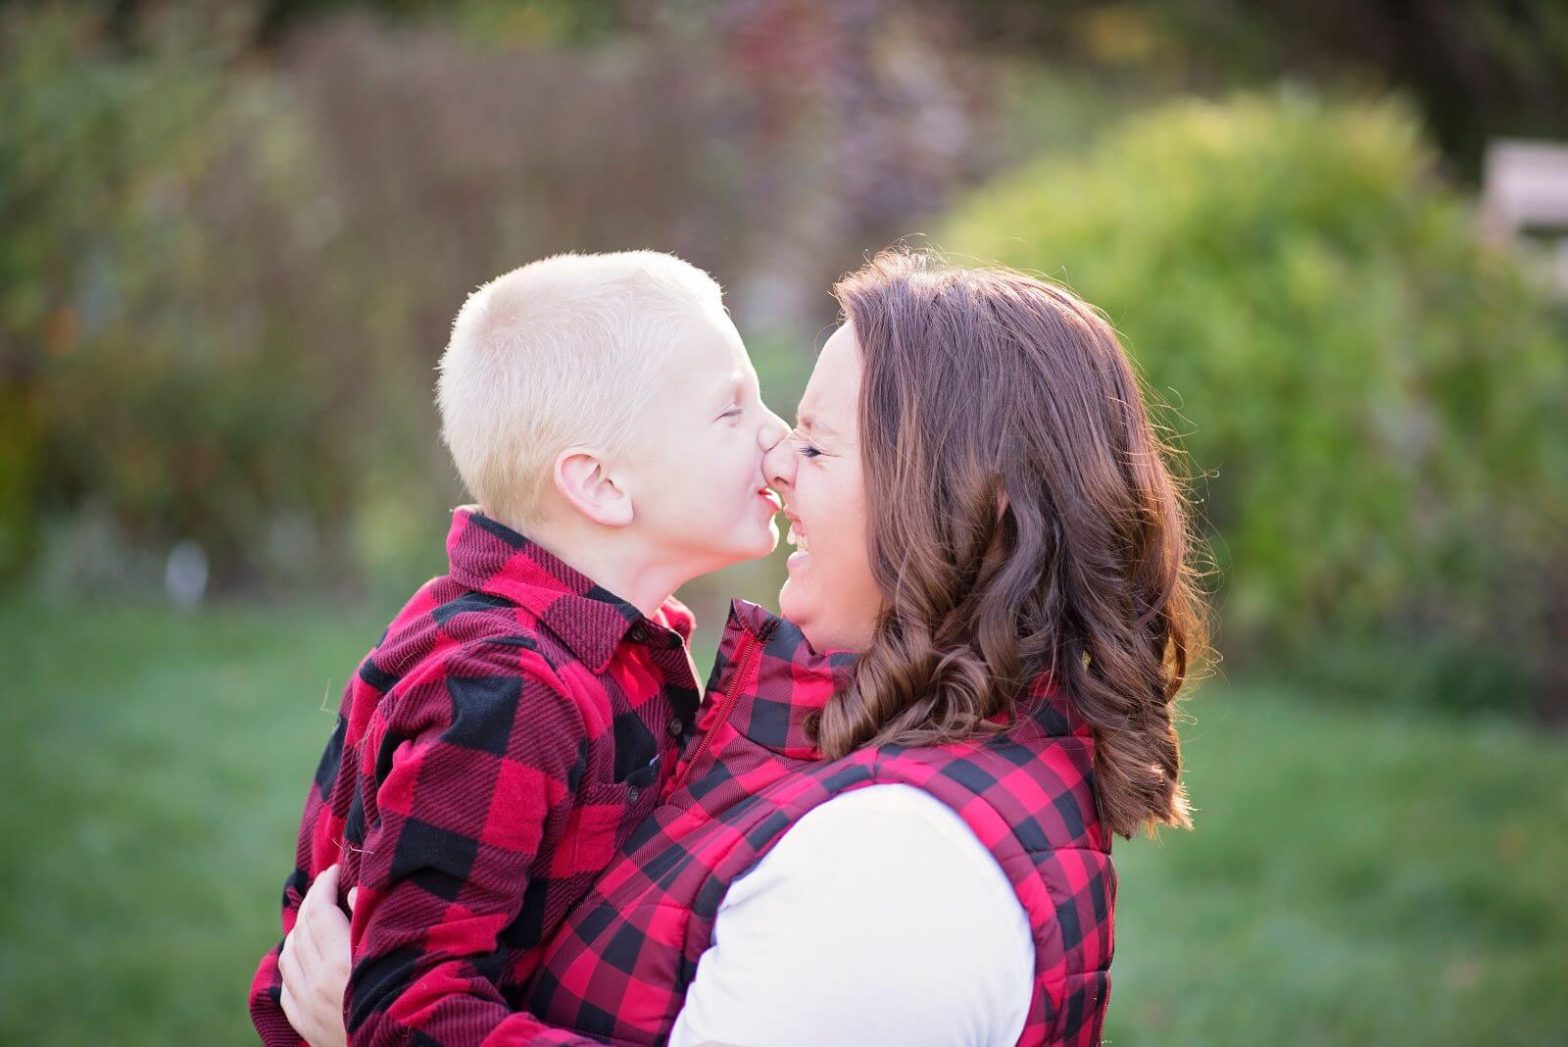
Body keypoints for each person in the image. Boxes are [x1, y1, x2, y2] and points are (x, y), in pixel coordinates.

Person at [282, 248, 1208, 1046]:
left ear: (967, 508)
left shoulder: (895, 877)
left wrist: (354, 1029)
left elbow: (407, 999)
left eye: (816, 445)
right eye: (755, 420)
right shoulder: (535, 681)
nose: (774, 457)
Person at [249, 251, 790, 1044]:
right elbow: (411, 1008)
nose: (776, 435)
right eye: (731, 412)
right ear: (601, 484)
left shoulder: (616, 643)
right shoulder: (504, 691)